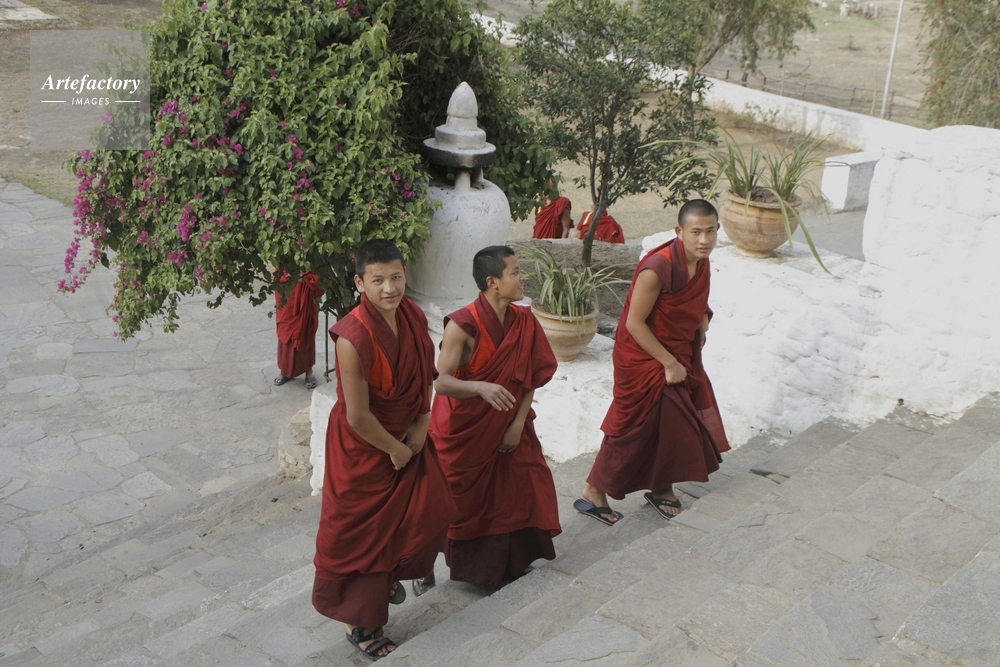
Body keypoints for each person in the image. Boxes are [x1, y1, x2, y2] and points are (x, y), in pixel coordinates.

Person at [312, 239, 457, 660]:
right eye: (377, 280)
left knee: (435, 507)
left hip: (407, 435)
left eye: (395, 277)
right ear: (360, 283)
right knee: (365, 538)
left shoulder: (411, 315)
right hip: (363, 449)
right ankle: (361, 625)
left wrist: (423, 421)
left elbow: (424, 374)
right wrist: (395, 449)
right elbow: (357, 416)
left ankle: (395, 572)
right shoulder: (351, 337)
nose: (389, 288)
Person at [576, 199, 730, 525]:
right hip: (643, 356)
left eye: (710, 231)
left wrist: (702, 318)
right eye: (696, 232)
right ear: (679, 231)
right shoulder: (657, 267)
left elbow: (692, 303)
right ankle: (594, 490)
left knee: (671, 424)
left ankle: (661, 486)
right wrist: (669, 363)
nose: (704, 240)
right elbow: (634, 323)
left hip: (676, 351)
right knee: (634, 426)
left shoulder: (700, 261)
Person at [419, 245, 561, 591]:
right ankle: (421, 563)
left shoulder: (524, 321)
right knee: (452, 503)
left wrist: (517, 424)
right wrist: (480, 387)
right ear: (492, 282)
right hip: (465, 430)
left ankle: (504, 565)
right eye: (515, 272)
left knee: (519, 489)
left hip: (509, 425)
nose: (523, 277)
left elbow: (530, 376)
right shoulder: (462, 325)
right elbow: (442, 381)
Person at [274, 270, 323, 389]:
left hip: (305, 297)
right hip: (288, 298)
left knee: (305, 331)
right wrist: (292, 279)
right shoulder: (284, 259)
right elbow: (278, 277)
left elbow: (318, 275)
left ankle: (308, 371)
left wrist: (306, 279)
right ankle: (285, 371)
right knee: (286, 331)